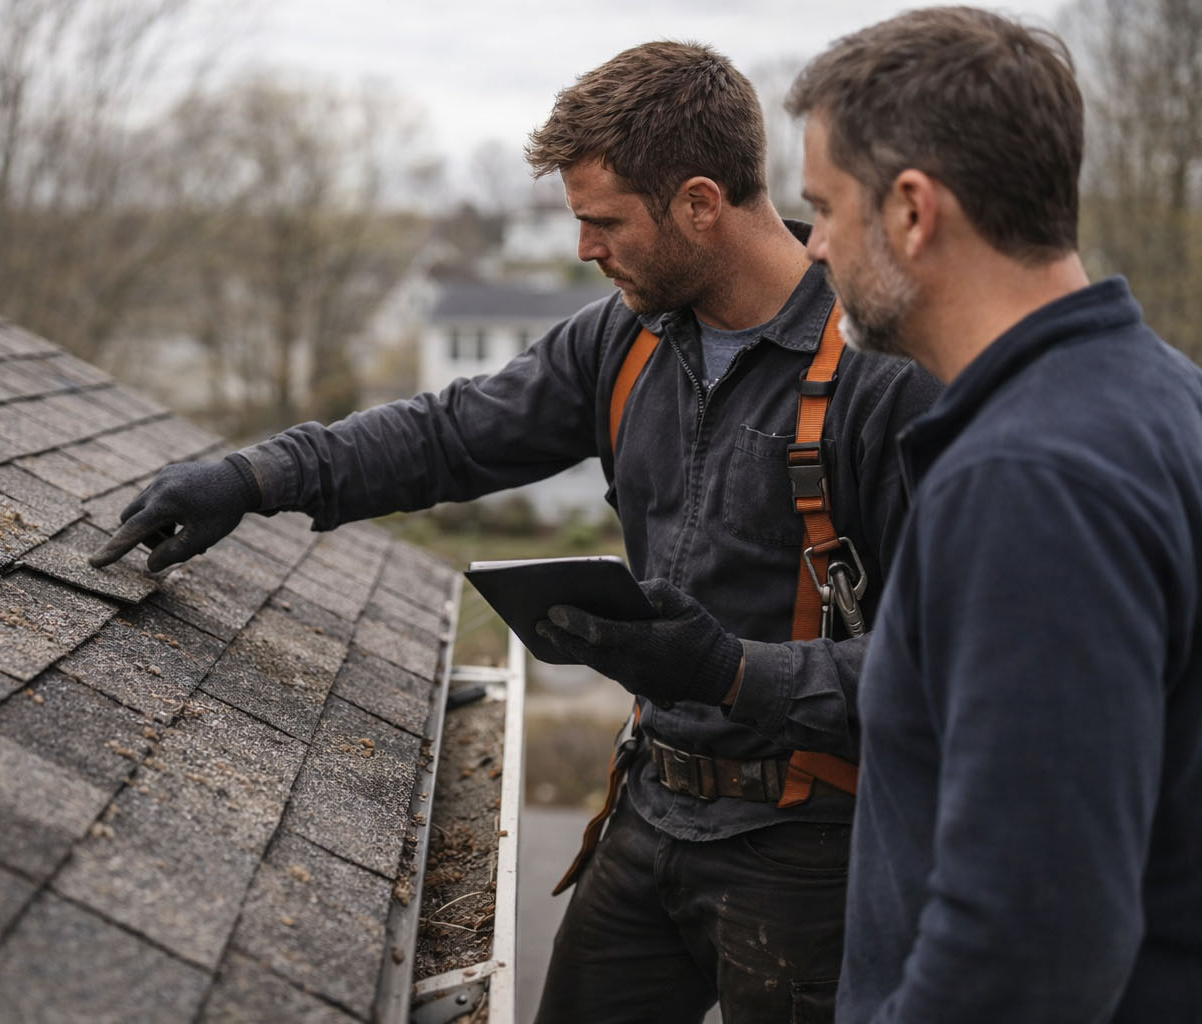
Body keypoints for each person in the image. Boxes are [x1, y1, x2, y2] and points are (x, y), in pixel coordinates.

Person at [92, 41, 938, 1022]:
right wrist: (257, 474)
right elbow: (448, 435)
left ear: (701, 204)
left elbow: (943, 673)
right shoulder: (621, 343)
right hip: (650, 803)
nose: (584, 249)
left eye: (602, 221)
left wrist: (733, 673)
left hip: (813, 849)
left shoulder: (884, 381)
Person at [787, 7, 1202, 1021]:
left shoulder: (1028, 481)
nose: (816, 248)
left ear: (915, 211)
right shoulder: (1164, 396)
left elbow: (1028, 949)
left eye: (827, 207)